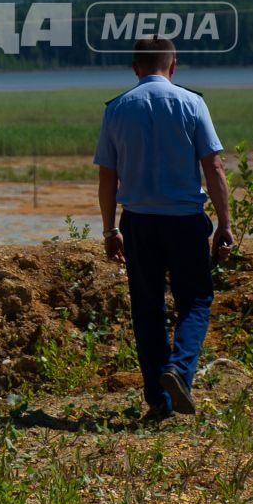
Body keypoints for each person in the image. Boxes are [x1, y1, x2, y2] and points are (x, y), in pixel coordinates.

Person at [94, 36, 233, 418]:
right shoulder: (193, 103)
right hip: (186, 222)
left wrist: (110, 230)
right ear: (173, 67)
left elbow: (108, 178)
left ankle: (159, 399)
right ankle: (179, 369)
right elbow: (214, 167)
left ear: (135, 68)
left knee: (147, 307)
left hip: (138, 224)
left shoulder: (117, 109)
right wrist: (224, 223)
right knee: (197, 300)